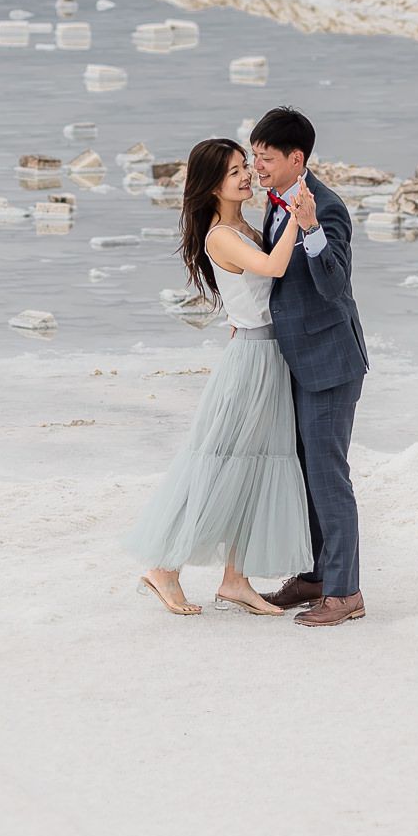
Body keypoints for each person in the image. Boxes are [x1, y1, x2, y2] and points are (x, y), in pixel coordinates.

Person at [124, 138, 314, 616]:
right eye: (234, 172)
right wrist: (299, 214)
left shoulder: (241, 225)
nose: (246, 175)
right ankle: (164, 568)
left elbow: (251, 290)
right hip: (250, 361)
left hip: (266, 355)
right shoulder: (220, 235)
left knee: (253, 467)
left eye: (244, 166)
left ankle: (235, 579)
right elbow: (273, 266)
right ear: (211, 185)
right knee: (219, 465)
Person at [249, 107, 371, 627]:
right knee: (304, 474)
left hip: (330, 363)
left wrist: (312, 229)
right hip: (296, 361)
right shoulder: (276, 203)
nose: (257, 167)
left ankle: (345, 594)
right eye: (253, 157)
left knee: (328, 476)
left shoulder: (328, 208)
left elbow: (334, 286)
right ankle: (318, 576)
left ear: (296, 158)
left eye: (266, 158)